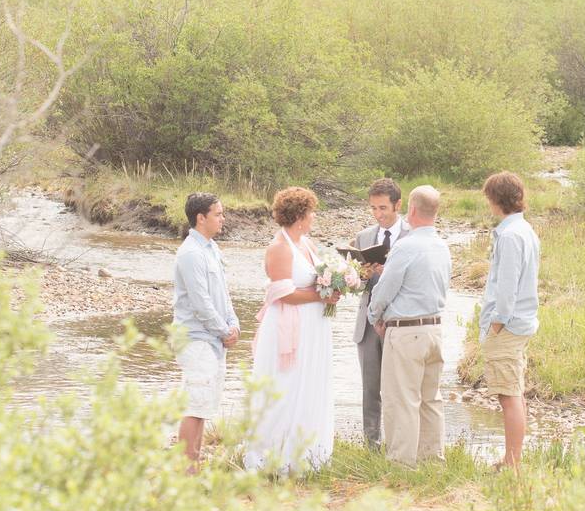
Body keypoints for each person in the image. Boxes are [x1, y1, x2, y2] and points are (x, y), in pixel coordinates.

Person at [244, 187, 340, 473]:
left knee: (310, 383)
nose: (313, 217)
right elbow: (281, 293)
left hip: (314, 328)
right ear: (299, 215)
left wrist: (337, 284)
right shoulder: (279, 248)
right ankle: (273, 456)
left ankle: (308, 454)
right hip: (288, 327)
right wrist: (320, 296)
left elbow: (318, 278)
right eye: (311, 212)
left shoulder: (306, 244)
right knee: (285, 387)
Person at [367, 185, 451, 467]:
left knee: (401, 400)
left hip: (406, 332)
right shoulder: (442, 246)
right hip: (435, 329)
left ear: (411, 210)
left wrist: (374, 316)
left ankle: (402, 464)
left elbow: (385, 290)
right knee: (431, 400)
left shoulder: (406, 245)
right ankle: (432, 462)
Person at [173, 192, 239, 474]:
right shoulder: (190, 253)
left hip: (213, 338)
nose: (223, 219)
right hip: (195, 337)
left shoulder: (212, 249)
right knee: (195, 402)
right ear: (201, 218)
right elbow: (200, 303)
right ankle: (186, 471)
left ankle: (195, 464)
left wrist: (233, 323)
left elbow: (222, 294)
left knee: (205, 404)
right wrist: (224, 330)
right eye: (218, 214)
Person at [478, 172, 540, 469]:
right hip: (520, 321)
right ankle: (511, 457)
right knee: (512, 391)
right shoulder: (523, 229)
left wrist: (497, 322)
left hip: (509, 323)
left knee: (508, 395)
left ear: (494, 199)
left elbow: (507, 286)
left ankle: (512, 462)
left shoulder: (511, 235)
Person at [353, 178, 410, 449]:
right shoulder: (364, 237)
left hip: (400, 322)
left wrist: (389, 274)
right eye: (373, 208)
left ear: (398, 205)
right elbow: (356, 283)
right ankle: (370, 445)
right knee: (369, 388)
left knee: (399, 388)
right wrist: (360, 275)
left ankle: (399, 444)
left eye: (383, 208)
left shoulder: (412, 236)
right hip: (366, 323)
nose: (378, 214)